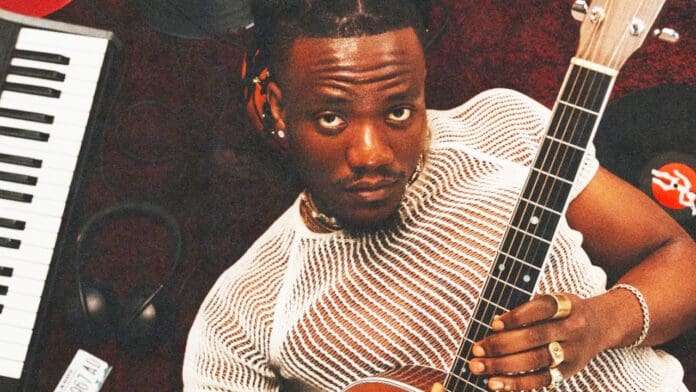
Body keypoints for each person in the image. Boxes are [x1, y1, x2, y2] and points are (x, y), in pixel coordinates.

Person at [182, 1, 696, 391]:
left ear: (424, 83)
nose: (372, 153)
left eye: (400, 111)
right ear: (275, 108)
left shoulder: (503, 128)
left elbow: (678, 256)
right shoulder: (241, 317)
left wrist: (602, 322)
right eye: (332, 117)